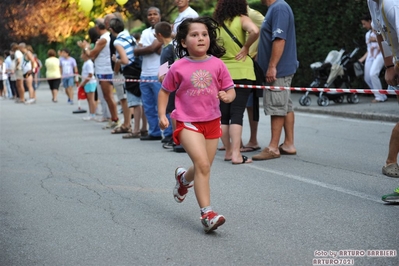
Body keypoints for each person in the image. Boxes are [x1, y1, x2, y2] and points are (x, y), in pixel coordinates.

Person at [158, 17, 236, 233]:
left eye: (204, 34)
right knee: (202, 165)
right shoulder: (178, 67)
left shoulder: (218, 64)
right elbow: (165, 91)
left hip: (212, 121)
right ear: (183, 42)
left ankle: (183, 179)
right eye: (194, 35)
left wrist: (228, 96)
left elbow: (230, 89)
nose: (201, 38)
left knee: (204, 167)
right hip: (186, 121)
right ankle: (207, 214)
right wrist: (162, 115)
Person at [213, 0, 259, 164]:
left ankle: (227, 152)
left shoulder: (216, 24)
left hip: (221, 72)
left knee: (223, 115)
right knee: (237, 112)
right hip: (242, 71)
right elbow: (255, 31)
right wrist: (246, 47)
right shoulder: (241, 19)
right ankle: (236, 155)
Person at [252, 0, 298, 161]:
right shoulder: (275, 8)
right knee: (285, 105)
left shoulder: (279, 8)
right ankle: (288, 144)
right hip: (281, 67)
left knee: (277, 105)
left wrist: (272, 66)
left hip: (279, 70)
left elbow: (279, 39)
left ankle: (273, 148)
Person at [367, 0, 399, 202]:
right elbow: (380, 32)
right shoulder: (374, 2)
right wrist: (388, 66)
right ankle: (390, 161)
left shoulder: (392, 4)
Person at [134, 7, 173, 142]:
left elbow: (154, 49)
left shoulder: (164, 31)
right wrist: (144, 49)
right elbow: (145, 49)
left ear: (160, 15)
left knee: (163, 106)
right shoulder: (145, 32)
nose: (152, 16)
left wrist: (141, 49)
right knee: (148, 106)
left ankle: (168, 133)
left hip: (158, 75)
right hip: (144, 74)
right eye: (149, 14)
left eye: (155, 14)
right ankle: (154, 132)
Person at [78, 18, 120, 130]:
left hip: (105, 70)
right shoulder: (104, 38)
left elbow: (91, 54)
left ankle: (115, 119)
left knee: (108, 96)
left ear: (97, 28)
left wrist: (85, 47)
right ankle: (113, 119)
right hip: (102, 69)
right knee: (106, 97)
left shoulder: (104, 39)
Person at [108, 17, 136, 135]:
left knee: (124, 99)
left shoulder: (117, 41)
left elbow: (124, 60)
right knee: (134, 101)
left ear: (111, 29)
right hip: (136, 70)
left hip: (126, 72)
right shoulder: (131, 37)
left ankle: (126, 124)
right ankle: (132, 125)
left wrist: (116, 60)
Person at [155, 21, 179, 149]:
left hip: (170, 84)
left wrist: (161, 76)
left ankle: (176, 139)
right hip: (174, 83)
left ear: (159, 35)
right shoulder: (173, 46)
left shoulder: (167, 48)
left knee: (172, 111)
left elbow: (164, 70)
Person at [358, 14, 387, 103]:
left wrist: (376, 40)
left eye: (364, 23)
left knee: (373, 74)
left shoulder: (381, 31)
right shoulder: (368, 34)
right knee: (367, 78)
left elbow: (385, 44)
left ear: (370, 21)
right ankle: (381, 94)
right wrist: (362, 59)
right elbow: (369, 49)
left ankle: (379, 97)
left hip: (380, 54)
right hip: (371, 56)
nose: (363, 26)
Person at [78, 49, 97, 120]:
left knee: (91, 99)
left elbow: (90, 74)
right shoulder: (86, 62)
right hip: (87, 83)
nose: (81, 56)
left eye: (82, 54)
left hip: (90, 83)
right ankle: (91, 113)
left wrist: (83, 82)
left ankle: (93, 114)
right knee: (89, 99)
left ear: (85, 55)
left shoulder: (89, 63)